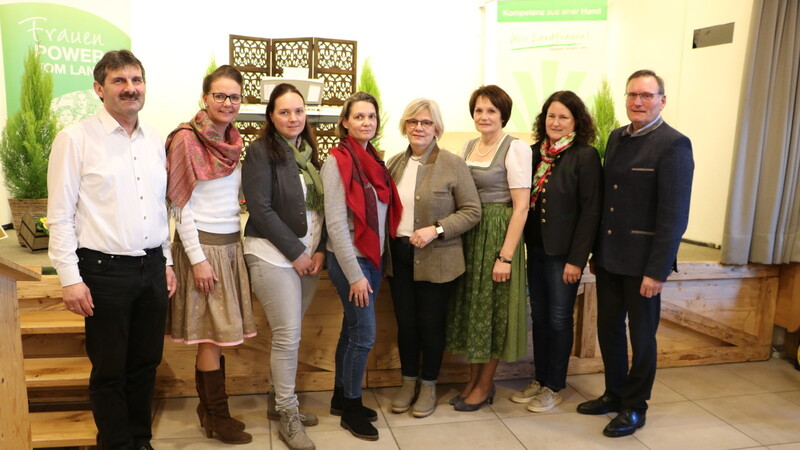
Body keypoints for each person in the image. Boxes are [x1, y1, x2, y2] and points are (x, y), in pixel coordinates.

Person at [47, 49, 177, 450]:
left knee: (145, 364)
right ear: (99, 88)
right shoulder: (75, 139)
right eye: (119, 81)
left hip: (152, 268)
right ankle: (116, 445)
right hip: (103, 271)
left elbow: (160, 207)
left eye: (136, 80)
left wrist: (167, 262)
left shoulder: (154, 139)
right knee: (109, 369)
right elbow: (59, 216)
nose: (130, 89)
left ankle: (140, 439)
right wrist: (70, 279)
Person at [577, 70, 694, 437]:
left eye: (646, 95)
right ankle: (614, 393)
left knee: (642, 338)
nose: (638, 102)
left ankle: (634, 406)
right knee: (609, 331)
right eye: (632, 95)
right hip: (611, 258)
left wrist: (657, 270)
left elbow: (674, 215)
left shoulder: (674, 143)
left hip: (645, 264)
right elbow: (607, 201)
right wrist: (596, 251)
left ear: (662, 100)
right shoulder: (616, 137)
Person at [164, 65, 255, 445]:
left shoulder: (233, 141)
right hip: (202, 247)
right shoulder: (187, 140)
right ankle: (218, 416)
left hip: (230, 244)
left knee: (219, 336)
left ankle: (209, 410)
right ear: (205, 98)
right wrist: (197, 258)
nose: (227, 103)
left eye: (234, 96)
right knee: (211, 339)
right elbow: (180, 205)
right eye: (220, 95)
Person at [241, 82, 325, 450]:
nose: (293, 118)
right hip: (271, 253)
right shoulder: (260, 151)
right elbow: (261, 209)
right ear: (271, 116)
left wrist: (320, 251)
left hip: (308, 255)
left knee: (292, 334)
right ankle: (289, 414)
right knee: (288, 335)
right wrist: (297, 253)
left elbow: (318, 209)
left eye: (299, 110)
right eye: (284, 111)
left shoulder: (310, 153)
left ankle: (279, 402)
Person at [385, 99, 481, 418]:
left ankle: (428, 386)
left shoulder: (453, 164)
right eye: (413, 122)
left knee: (430, 325)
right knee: (406, 325)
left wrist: (436, 229)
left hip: (436, 258)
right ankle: (408, 382)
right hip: (398, 257)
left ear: (437, 128)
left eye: (426, 123)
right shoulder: (395, 163)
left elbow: (472, 211)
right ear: (404, 126)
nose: (419, 128)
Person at [511, 91, 602, 412]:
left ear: (576, 121)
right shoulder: (534, 153)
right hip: (534, 250)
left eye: (564, 117)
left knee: (560, 319)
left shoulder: (585, 155)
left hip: (564, 256)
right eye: (551, 116)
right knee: (540, 317)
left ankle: (554, 385)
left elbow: (591, 212)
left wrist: (578, 260)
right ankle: (539, 379)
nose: (556, 122)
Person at [446, 85, 532, 412]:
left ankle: (485, 385)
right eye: (479, 110)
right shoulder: (469, 146)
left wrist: (506, 257)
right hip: (471, 235)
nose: (484, 116)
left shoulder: (515, 149)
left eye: (491, 111)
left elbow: (521, 207)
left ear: (503, 115)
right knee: (474, 311)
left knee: (495, 312)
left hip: (498, 235)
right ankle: (472, 380)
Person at [321, 91, 402, 440]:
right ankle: (352, 409)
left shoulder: (375, 160)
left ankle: (341, 396)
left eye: (371, 117)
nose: (366, 122)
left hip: (371, 259)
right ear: (345, 122)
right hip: (349, 259)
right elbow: (336, 223)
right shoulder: (336, 161)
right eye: (358, 117)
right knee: (364, 334)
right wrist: (354, 275)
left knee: (351, 330)